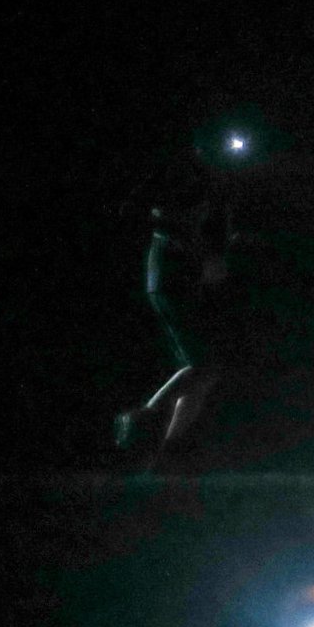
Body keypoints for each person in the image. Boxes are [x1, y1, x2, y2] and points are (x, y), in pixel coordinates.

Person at [113, 141, 241, 465]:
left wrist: (217, 252)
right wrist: (194, 247)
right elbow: (144, 211)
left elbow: (212, 232)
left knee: (205, 371)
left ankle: (169, 450)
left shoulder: (215, 183)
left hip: (187, 280)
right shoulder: (184, 178)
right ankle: (143, 419)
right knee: (203, 366)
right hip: (172, 279)